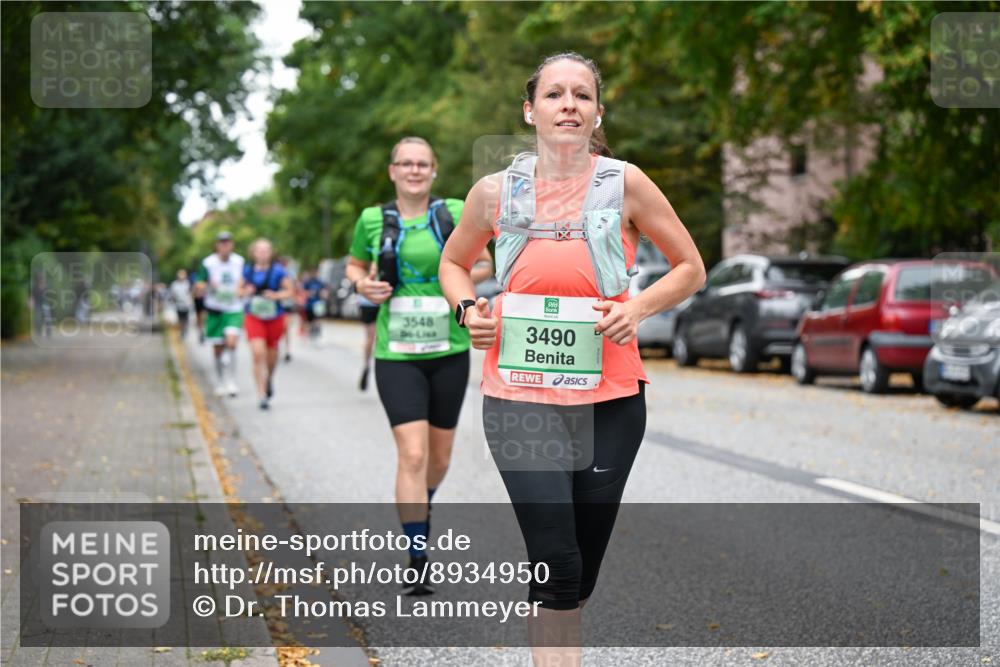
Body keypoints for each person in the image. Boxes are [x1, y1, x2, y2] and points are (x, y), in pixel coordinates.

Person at [438, 53, 706, 665]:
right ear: (529, 111)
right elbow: (454, 263)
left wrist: (638, 309)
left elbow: (691, 267)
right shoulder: (494, 191)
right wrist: (468, 310)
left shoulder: (626, 183)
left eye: (581, 95)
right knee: (556, 566)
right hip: (518, 396)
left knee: (577, 576)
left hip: (611, 399)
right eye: (554, 94)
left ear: (597, 113)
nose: (568, 105)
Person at [346, 136, 492, 595]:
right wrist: (363, 285)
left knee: (440, 458)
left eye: (422, 164)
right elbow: (354, 265)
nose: (414, 170)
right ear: (393, 171)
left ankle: (420, 506)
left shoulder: (454, 211)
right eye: (406, 163)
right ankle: (417, 556)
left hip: (449, 348)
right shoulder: (372, 219)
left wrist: (457, 277)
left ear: (433, 170)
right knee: (412, 454)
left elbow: (484, 262)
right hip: (396, 354)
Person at [242, 239, 295, 410]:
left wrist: (276, 295)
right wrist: (246, 291)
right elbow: (238, 291)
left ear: (271, 253)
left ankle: (269, 379)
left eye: (266, 250)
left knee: (272, 355)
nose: (263, 253)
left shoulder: (278, 271)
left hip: (274, 316)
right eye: (260, 250)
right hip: (254, 316)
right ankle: (261, 394)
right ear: (254, 252)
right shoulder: (248, 270)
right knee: (258, 353)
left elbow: (290, 291)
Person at [194, 231, 246, 397]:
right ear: (217, 245)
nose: (225, 246)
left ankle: (231, 381)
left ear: (232, 244)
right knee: (217, 349)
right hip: (215, 309)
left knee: (231, 343)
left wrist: (242, 289)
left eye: (227, 242)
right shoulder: (208, 263)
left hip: (233, 308)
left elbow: (245, 281)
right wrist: (208, 285)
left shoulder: (239, 261)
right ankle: (221, 381)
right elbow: (199, 284)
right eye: (222, 243)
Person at [356, 292, 379, 391]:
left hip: (366, 302)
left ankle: (366, 364)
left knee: (369, 338)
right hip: (379, 302)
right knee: (378, 337)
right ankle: (378, 364)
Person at [277, 256, 297, 362]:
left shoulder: (290, 274)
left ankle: (287, 350)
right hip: (277, 304)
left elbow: (294, 288)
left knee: (286, 327)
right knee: (280, 328)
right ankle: (277, 347)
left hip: (287, 304)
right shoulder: (274, 273)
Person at [300, 269, 328, 341]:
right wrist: (309, 293)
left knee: (317, 319)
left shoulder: (320, 282)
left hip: (318, 304)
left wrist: (323, 294)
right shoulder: (308, 282)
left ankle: (317, 332)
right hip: (309, 304)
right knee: (309, 320)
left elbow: (325, 292)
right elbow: (303, 292)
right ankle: (309, 333)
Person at [169, 269, 194, 338]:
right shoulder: (174, 284)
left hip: (186, 305)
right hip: (178, 304)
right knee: (180, 318)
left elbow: (191, 293)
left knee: (186, 319)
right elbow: (172, 294)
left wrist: (190, 301)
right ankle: (182, 331)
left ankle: (185, 331)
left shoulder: (188, 283)